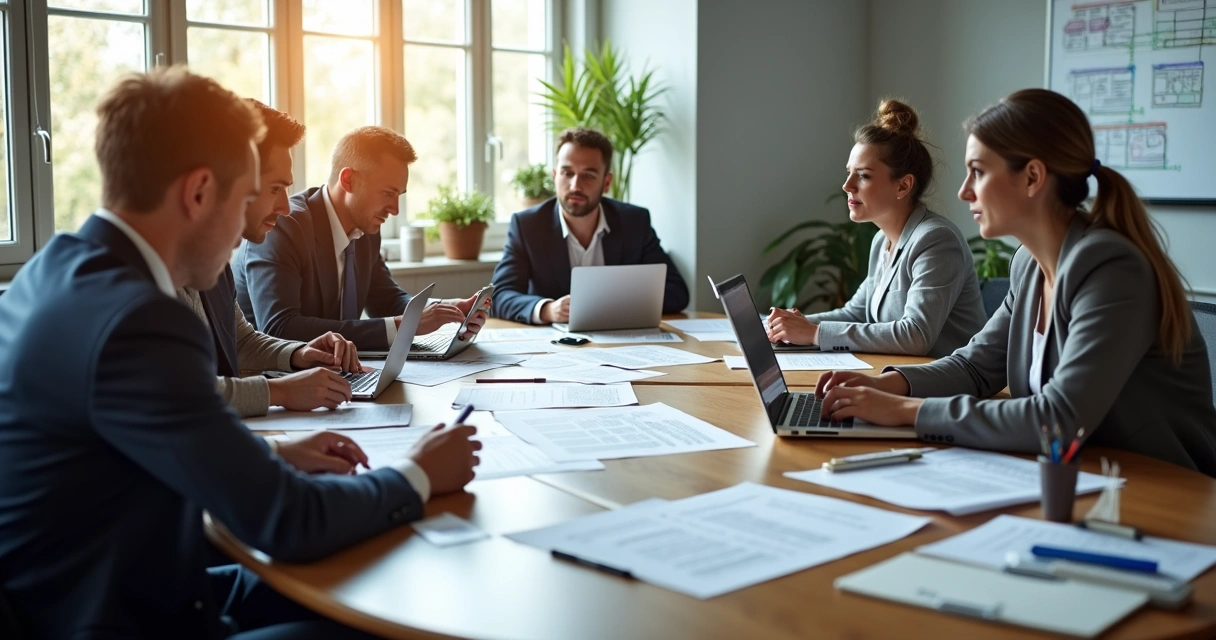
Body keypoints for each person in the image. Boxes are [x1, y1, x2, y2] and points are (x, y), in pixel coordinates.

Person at [0, 67, 481, 639]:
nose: (254, 225)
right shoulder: (139, 319)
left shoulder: (54, 271)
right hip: (123, 617)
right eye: (249, 194)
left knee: (362, 579)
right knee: (385, 620)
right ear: (200, 193)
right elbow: (289, 521)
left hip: (131, 582)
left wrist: (272, 458)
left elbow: (141, 447)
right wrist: (418, 475)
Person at [815, 88, 1216, 476]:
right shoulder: (1029, 264)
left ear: (1032, 178)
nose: (964, 191)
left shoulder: (1112, 270)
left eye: (978, 172)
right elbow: (976, 368)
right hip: (1073, 473)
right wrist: (890, 385)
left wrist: (906, 412)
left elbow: (1058, 417)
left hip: (1158, 487)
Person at [179, 100, 366, 424]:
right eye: (274, 188)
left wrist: (298, 354)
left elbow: (241, 341)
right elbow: (179, 394)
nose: (285, 206)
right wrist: (280, 392)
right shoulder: (144, 276)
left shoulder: (212, 259)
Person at [235, 125, 489, 351]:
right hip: (273, 381)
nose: (395, 209)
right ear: (348, 180)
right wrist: (401, 327)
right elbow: (279, 327)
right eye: (388, 194)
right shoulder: (285, 226)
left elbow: (387, 301)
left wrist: (446, 310)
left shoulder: (365, 230)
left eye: (399, 195)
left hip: (332, 374)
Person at [766, 100, 986, 357]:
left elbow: (915, 335)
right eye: (849, 173)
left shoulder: (936, 240)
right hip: (900, 377)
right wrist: (790, 324)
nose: (847, 185)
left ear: (903, 186)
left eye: (863, 175)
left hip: (947, 388)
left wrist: (813, 333)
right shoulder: (882, 241)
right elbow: (856, 313)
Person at [490, 127, 690, 325]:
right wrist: (548, 309)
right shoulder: (528, 226)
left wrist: (607, 304)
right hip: (554, 347)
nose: (575, 185)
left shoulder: (634, 222)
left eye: (589, 175)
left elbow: (676, 292)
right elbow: (499, 296)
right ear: (554, 176)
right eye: (567, 173)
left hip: (622, 343)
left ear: (606, 182)